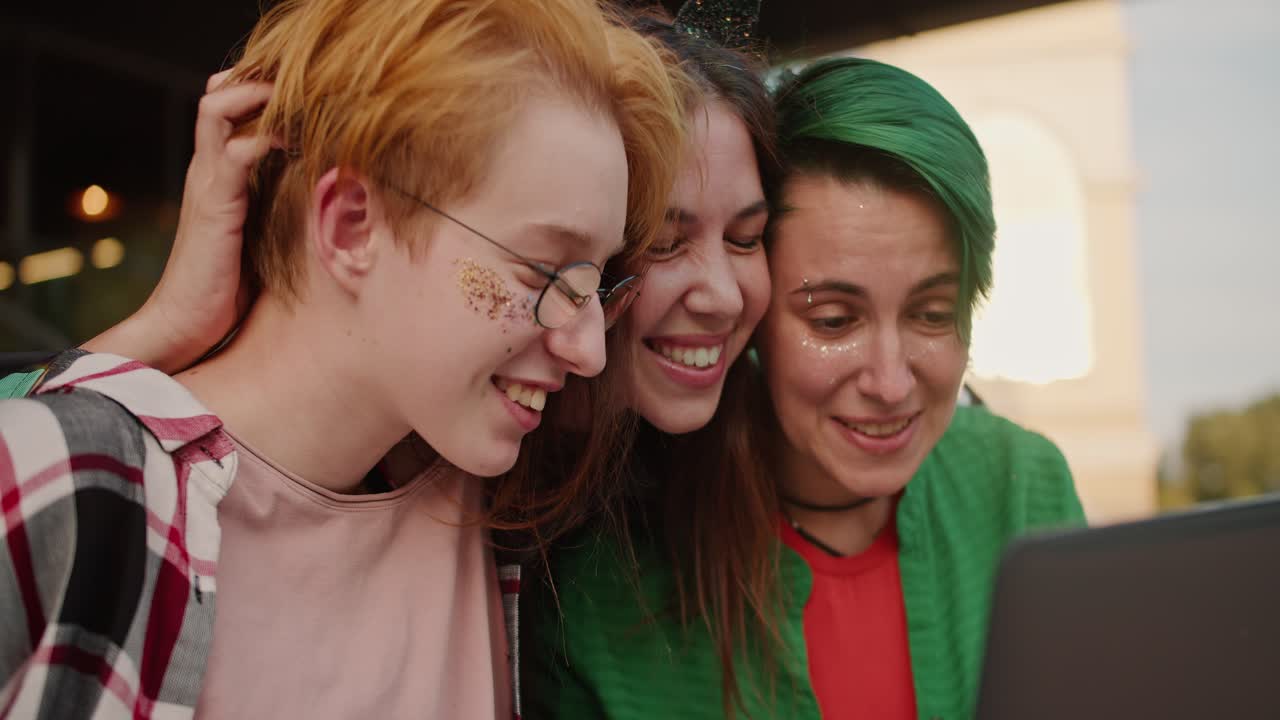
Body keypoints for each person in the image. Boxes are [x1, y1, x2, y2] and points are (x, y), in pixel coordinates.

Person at [0, 0, 688, 717]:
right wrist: (161, 328)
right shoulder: (73, 487)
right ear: (352, 225)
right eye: (545, 274)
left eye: (597, 284)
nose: (588, 351)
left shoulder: (488, 500)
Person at [523, 57, 1087, 720]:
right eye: (834, 321)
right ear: (754, 309)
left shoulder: (1023, 485)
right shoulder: (598, 573)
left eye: (932, 315)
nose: (889, 382)